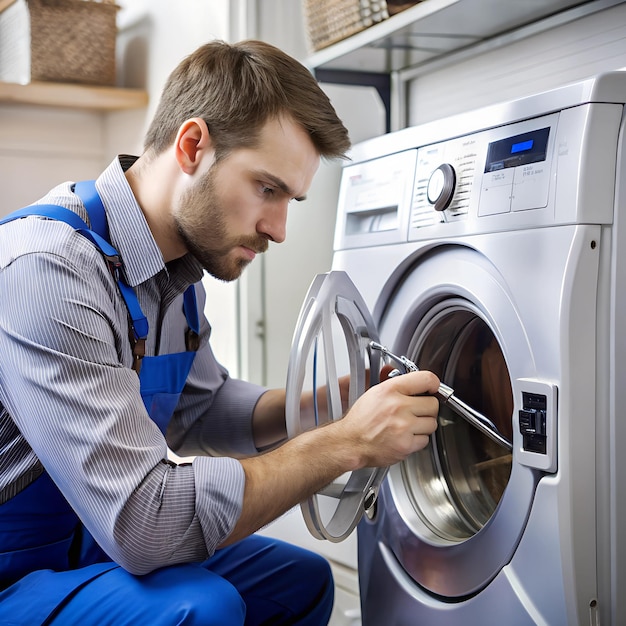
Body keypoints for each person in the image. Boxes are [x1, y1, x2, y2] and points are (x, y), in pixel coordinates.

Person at [0, 40, 439, 625]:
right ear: (192, 147)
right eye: (267, 188)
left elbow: (201, 410)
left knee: (301, 584)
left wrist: (334, 405)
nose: (278, 229)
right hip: (17, 573)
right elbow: (143, 525)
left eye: (291, 199)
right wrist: (346, 442)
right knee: (202, 609)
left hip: (89, 542)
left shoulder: (177, 269)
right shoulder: (48, 269)